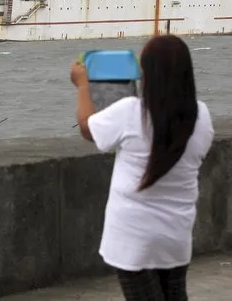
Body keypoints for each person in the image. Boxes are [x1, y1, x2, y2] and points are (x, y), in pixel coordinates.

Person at [70, 35, 214, 301]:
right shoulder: (201, 116)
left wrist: (82, 85)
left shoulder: (130, 112)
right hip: (176, 236)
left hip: (133, 240)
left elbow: (88, 129)